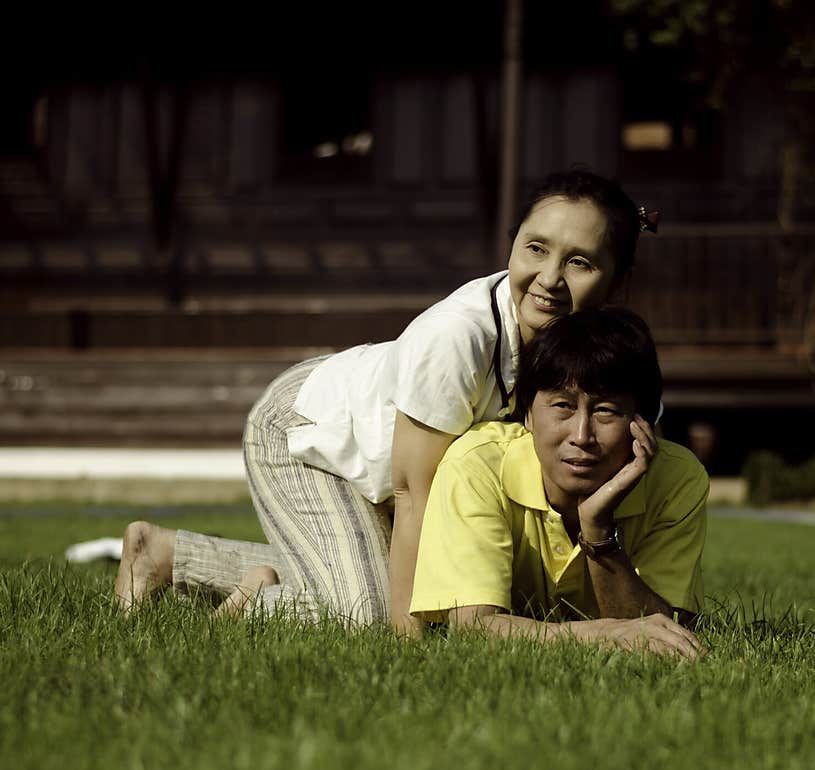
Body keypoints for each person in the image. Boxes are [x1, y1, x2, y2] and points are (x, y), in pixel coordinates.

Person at [115, 167, 656, 632]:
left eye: (580, 262)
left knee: (436, 596)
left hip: (385, 459)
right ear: (511, 244)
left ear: (618, 281)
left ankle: (186, 556)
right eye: (535, 248)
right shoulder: (458, 337)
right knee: (367, 613)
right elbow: (413, 494)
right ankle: (195, 569)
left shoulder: (601, 356)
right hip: (311, 430)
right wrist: (408, 652)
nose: (550, 279)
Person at [410, 307, 708, 658]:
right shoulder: (476, 465)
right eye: (563, 405)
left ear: (641, 421)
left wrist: (599, 532)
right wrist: (599, 634)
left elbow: (666, 632)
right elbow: (473, 627)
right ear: (529, 415)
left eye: (605, 411)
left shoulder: (677, 479)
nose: (582, 436)